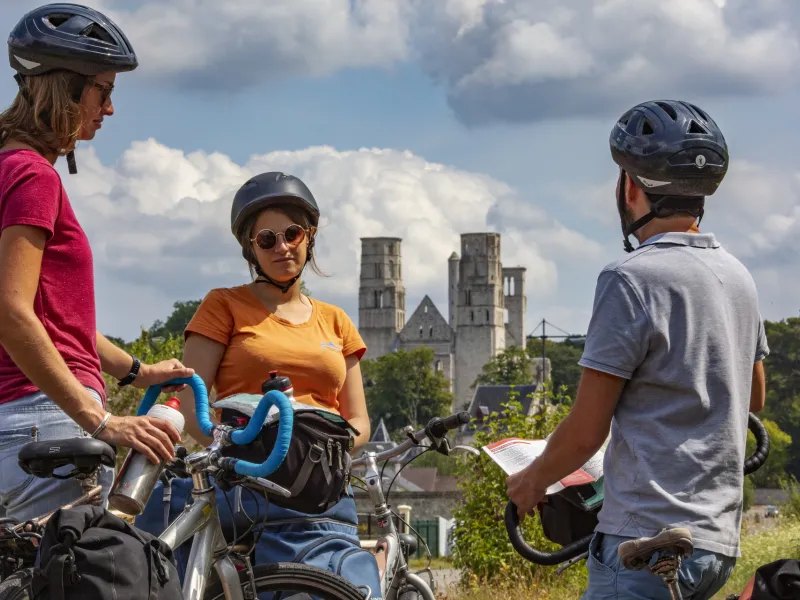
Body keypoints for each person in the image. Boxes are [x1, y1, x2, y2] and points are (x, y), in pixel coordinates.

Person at [506, 100, 768, 600]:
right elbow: (752, 397)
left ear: (630, 186)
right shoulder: (739, 277)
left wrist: (532, 480)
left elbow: (586, 431)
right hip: (715, 542)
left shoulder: (629, 279)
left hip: (646, 540)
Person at [135, 172, 382, 597]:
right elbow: (191, 402)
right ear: (250, 247)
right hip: (247, 480)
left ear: (310, 236)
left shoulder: (336, 320)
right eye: (266, 240)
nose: (282, 247)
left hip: (319, 491)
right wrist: (237, 452)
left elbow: (357, 418)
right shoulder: (224, 305)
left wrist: (313, 452)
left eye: (292, 233)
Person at [0, 3, 194, 523]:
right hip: (46, 421)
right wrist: (101, 420)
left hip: (20, 422)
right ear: (66, 89)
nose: (109, 109)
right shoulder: (33, 177)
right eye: (102, 91)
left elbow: (55, 320)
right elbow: (12, 313)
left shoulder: (6, 170)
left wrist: (137, 370)